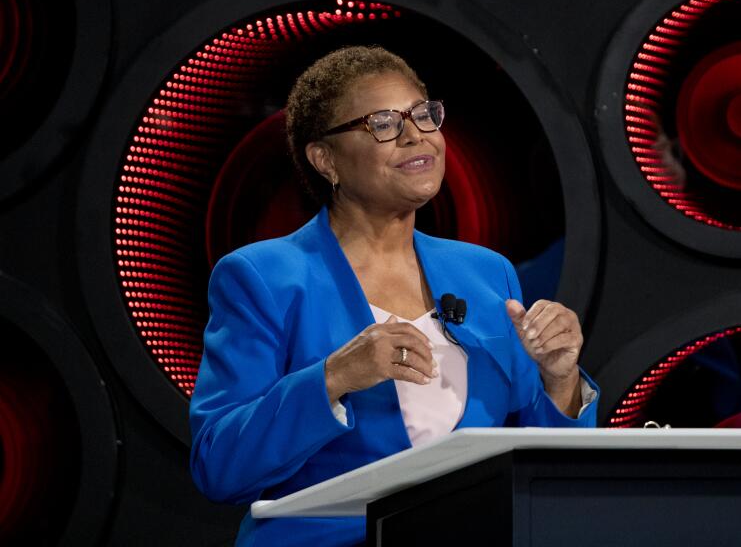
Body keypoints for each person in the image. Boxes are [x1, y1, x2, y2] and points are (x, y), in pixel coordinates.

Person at [189, 46, 599, 546]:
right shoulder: (263, 277)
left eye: (424, 114)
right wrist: (335, 377)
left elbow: (534, 466)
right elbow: (219, 465)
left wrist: (559, 381)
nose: (415, 134)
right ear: (325, 159)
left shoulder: (487, 273)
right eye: (383, 122)